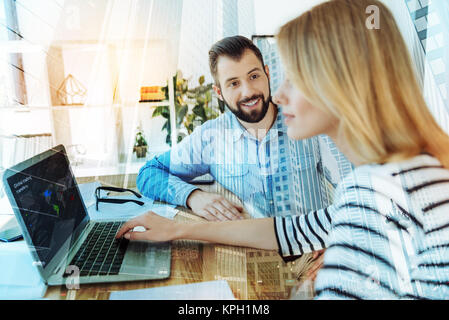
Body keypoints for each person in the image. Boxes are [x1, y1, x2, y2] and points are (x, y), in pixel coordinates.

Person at [117, 0, 449, 299]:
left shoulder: (374, 194)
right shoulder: (395, 181)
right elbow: (289, 230)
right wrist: (182, 223)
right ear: (219, 92)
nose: (279, 93)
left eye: (294, 78)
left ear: (340, 84)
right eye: (234, 83)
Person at [137, 36, 326, 221]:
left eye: (254, 76)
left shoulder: (310, 122)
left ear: (267, 74)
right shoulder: (210, 137)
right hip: (254, 247)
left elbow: (352, 185)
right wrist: (193, 196)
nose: (248, 91)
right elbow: (149, 172)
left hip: (315, 246)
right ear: (218, 92)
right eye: (234, 83)